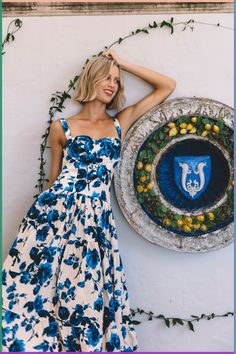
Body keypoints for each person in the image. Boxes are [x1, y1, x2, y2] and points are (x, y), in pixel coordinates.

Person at [2, 49, 176, 352]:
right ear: (91, 79)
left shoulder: (120, 122)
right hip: (54, 215)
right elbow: (53, 181)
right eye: (106, 77)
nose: (112, 84)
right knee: (42, 288)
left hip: (96, 221)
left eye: (116, 81)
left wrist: (122, 63)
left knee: (86, 291)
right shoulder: (62, 127)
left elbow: (167, 86)